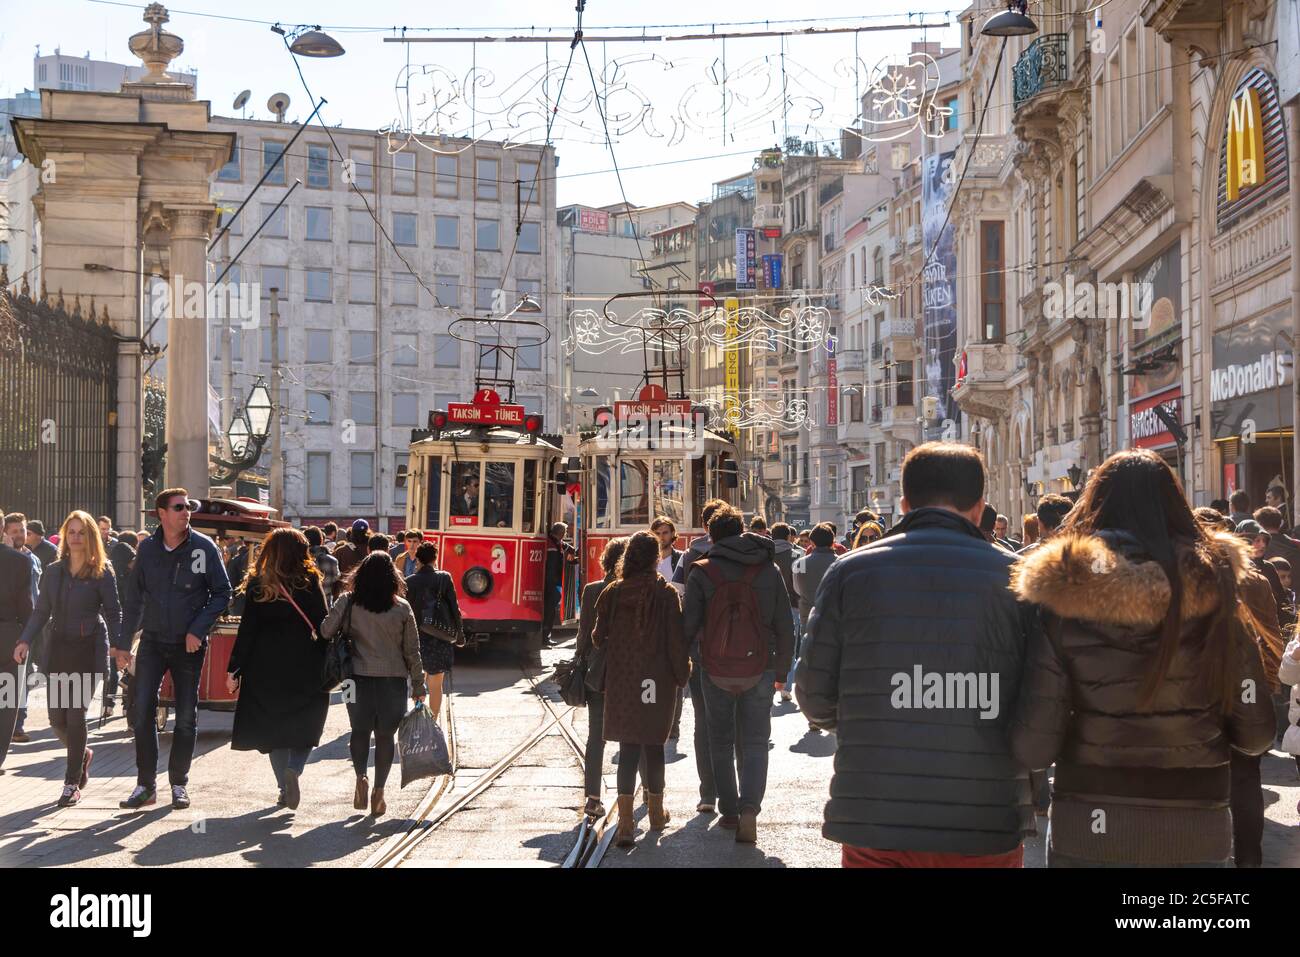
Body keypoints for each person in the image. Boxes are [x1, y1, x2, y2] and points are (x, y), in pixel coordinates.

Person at [1011, 450, 1277, 867]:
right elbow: (1257, 734)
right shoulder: (1218, 592)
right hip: (1195, 824)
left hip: (1090, 826)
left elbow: (1033, 747)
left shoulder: (1063, 599)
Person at [797, 442, 1036, 867]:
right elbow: (1039, 706)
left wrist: (871, 717)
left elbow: (814, 695)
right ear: (981, 508)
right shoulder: (1017, 577)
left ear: (905, 503)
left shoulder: (850, 571)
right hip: (983, 815)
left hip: (876, 814)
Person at [115, 489, 232, 811]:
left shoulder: (203, 547)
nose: (186, 512)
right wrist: (124, 644)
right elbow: (134, 599)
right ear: (161, 514)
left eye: (188, 507)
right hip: (152, 641)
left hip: (187, 645)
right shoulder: (148, 549)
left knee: (185, 718)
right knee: (141, 714)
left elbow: (223, 593)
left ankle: (179, 784)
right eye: (179, 507)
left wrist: (198, 629)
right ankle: (145, 785)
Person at [682, 505, 794, 843]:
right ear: (742, 530)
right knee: (757, 741)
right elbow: (785, 624)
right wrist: (782, 670)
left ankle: (729, 811)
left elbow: (688, 627)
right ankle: (750, 809)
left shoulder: (701, 571)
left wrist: (685, 662)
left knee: (720, 740)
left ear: (711, 535)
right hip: (760, 666)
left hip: (713, 667)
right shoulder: (768, 568)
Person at [14, 511, 120, 807]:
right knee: (56, 720)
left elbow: (113, 612)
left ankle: (71, 783)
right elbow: (40, 611)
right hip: (59, 649)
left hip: (89, 650)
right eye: (71, 532)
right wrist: (25, 640)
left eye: (81, 532)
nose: (75, 537)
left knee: (75, 715)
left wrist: (120, 648)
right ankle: (82, 753)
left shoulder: (102, 571)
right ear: (64, 536)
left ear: (90, 537)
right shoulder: (54, 571)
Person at [592, 531, 689, 847]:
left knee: (629, 747)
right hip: (655, 680)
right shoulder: (665, 594)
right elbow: (676, 641)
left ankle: (624, 824)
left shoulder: (613, 593)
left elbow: (597, 636)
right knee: (653, 745)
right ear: (655, 559)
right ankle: (657, 813)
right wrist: (681, 673)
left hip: (623, 679)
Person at [227, 528, 329, 811]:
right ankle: (294, 770)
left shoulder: (259, 583)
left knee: (274, 731)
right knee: (307, 723)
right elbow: (322, 624)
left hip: (264, 667)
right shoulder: (309, 580)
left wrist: (234, 668)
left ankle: (284, 789)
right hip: (306, 664)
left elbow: (247, 629)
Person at [321, 551, 424, 818]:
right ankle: (379, 791)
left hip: (354, 679)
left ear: (361, 575)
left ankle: (360, 777)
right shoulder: (402, 608)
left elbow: (325, 631)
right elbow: (412, 651)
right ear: (393, 578)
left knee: (358, 730)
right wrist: (419, 684)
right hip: (393, 681)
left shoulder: (348, 601)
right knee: (386, 736)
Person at [670, 497, 728, 813]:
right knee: (737, 722)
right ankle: (738, 796)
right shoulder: (753, 554)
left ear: (706, 525)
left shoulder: (691, 555)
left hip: (703, 651)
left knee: (704, 721)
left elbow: (680, 597)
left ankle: (709, 792)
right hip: (741, 652)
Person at [575, 536, 627, 818]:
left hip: (599, 671)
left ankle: (592, 798)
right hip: (629, 673)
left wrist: (579, 663)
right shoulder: (634, 589)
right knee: (634, 735)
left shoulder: (593, 589)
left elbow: (584, 634)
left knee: (596, 736)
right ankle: (633, 796)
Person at [405, 541, 461, 718]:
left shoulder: (409, 582)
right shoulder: (444, 578)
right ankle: (433, 722)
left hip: (416, 638)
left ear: (418, 559)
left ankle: (421, 716)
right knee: (436, 685)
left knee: (418, 681)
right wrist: (459, 634)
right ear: (435, 558)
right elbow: (454, 608)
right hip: (440, 636)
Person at [792, 523, 837, 728]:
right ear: (833, 541)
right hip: (835, 618)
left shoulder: (800, 563)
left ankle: (811, 713)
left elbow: (797, 589)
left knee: (808, 663)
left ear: (811, 541)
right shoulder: (840, 562)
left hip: (807, 615)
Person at [4, 512, 43, 743]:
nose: (20, 535)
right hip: (13, 626)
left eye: (23, 530)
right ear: (5, 533)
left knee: (25, 676)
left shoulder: (33, 558)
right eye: (14, 531)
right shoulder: (8, 559)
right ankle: (13, 726)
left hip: (32, 624)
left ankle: (18, 724)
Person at [0, 518, 35, 772]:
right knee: (5, 701)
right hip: (8, 635)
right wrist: (25, 638)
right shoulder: (19, 561)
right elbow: (27, 607)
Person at [770, 523, 800, 703]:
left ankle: (770, 684)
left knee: (770, 645)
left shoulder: (765, 554)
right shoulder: (798, 554)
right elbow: (800, 583)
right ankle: (786, 688)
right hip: (793, 605)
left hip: (769, 606)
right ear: (789, 537)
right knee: (790, 646)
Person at [541, 522, 578, 651]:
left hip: (552, 583)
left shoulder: (556, 542)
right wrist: (552, 585)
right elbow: (551, 567)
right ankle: (545, 637)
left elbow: (568, 548)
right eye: (565, 532)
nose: (566, 535)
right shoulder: (552, 545)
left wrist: (575, 552)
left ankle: (546, 636)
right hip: (551, 583)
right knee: (549, 610)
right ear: (561, 533)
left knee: (550, 609)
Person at [303, 526, 340, 601]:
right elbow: (336, 580)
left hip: (304, 606)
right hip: (326, 605)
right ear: (321, 540)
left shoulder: (300, 560)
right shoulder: (333, 561)